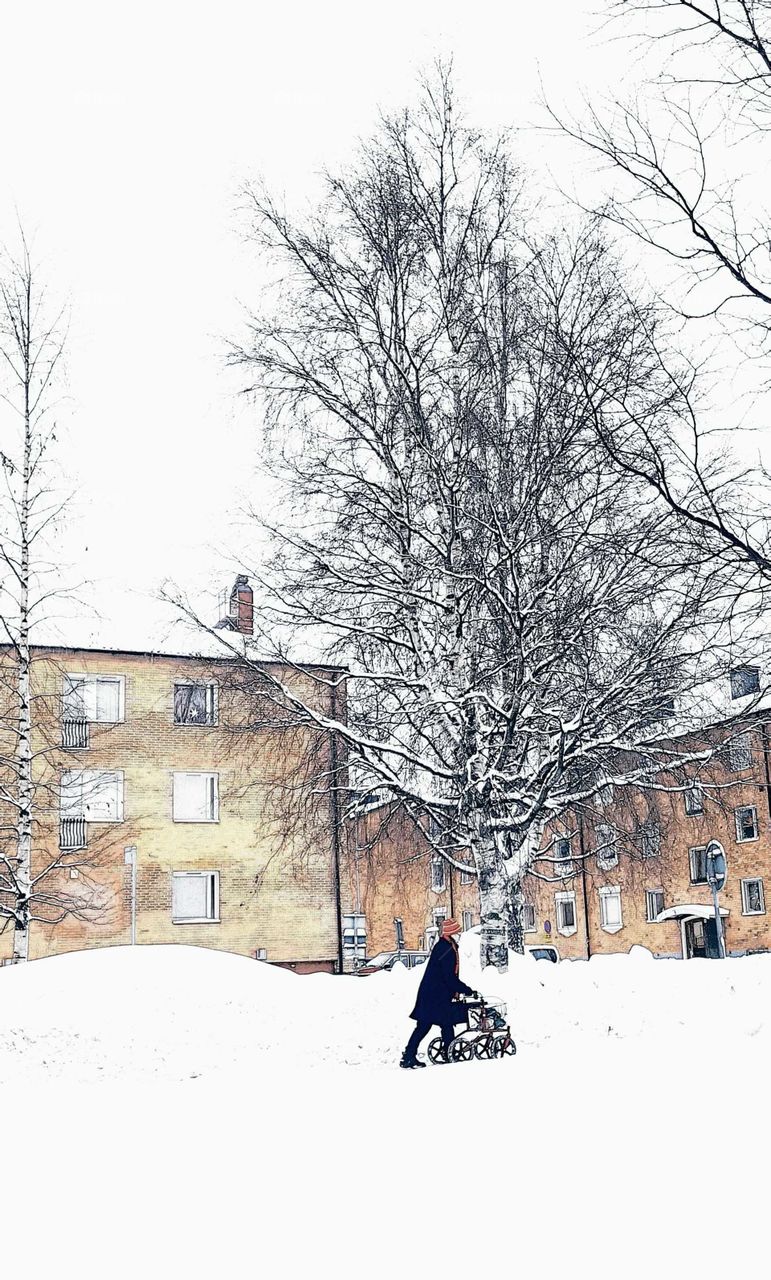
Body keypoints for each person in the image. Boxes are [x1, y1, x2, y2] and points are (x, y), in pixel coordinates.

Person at [400, 918, 478, 1068]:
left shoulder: (445, 946)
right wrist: (466, 990)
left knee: (439, 1024)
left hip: (433, 994)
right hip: (435, 996)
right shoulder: (446, 949)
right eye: (457, 932)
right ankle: (439, 1054)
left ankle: (414, 1055)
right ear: (451, 934)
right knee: (433, 1024)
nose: (459, 935)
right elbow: (449, 977)